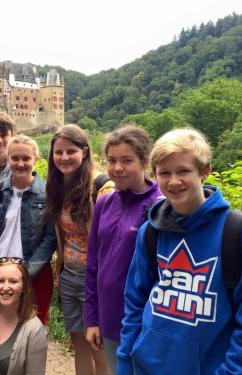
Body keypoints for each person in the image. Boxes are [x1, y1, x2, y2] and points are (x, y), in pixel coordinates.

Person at [117, 128, 242, 375]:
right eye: (164, 173)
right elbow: (135, 302)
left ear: (205, 172)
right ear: (155, 175)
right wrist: (126, 361)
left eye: (184, 171)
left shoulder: (240, 234)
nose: (174, 181)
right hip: (147, 367)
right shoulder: (151, 232)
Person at [84, 125, 162, 372]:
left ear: (144, 161)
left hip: (145, 322)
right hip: (108, 317)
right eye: (112, 160)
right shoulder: (105, 202)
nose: (118, 168)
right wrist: (92, 319)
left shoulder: (159, 206)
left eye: (127, 160)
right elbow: (93, 264)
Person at [45, 124, 113, 375]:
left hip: (94, 279)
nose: (63, 157)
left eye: (70, 151)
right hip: (68, 276)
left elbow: (109, 240)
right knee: (79, 344)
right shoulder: (58, 185)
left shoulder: (102, 187)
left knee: (98, 346)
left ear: (84, 152)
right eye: (58, 152)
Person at [0, 135, 57, 325]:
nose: (20, 163)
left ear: (36, 160)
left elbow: (51, 238)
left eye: (26, 158)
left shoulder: (48, 193)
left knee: (34, 328)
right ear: (8, 159)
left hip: (35, 273)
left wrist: (28, 271)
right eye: (15, 158)